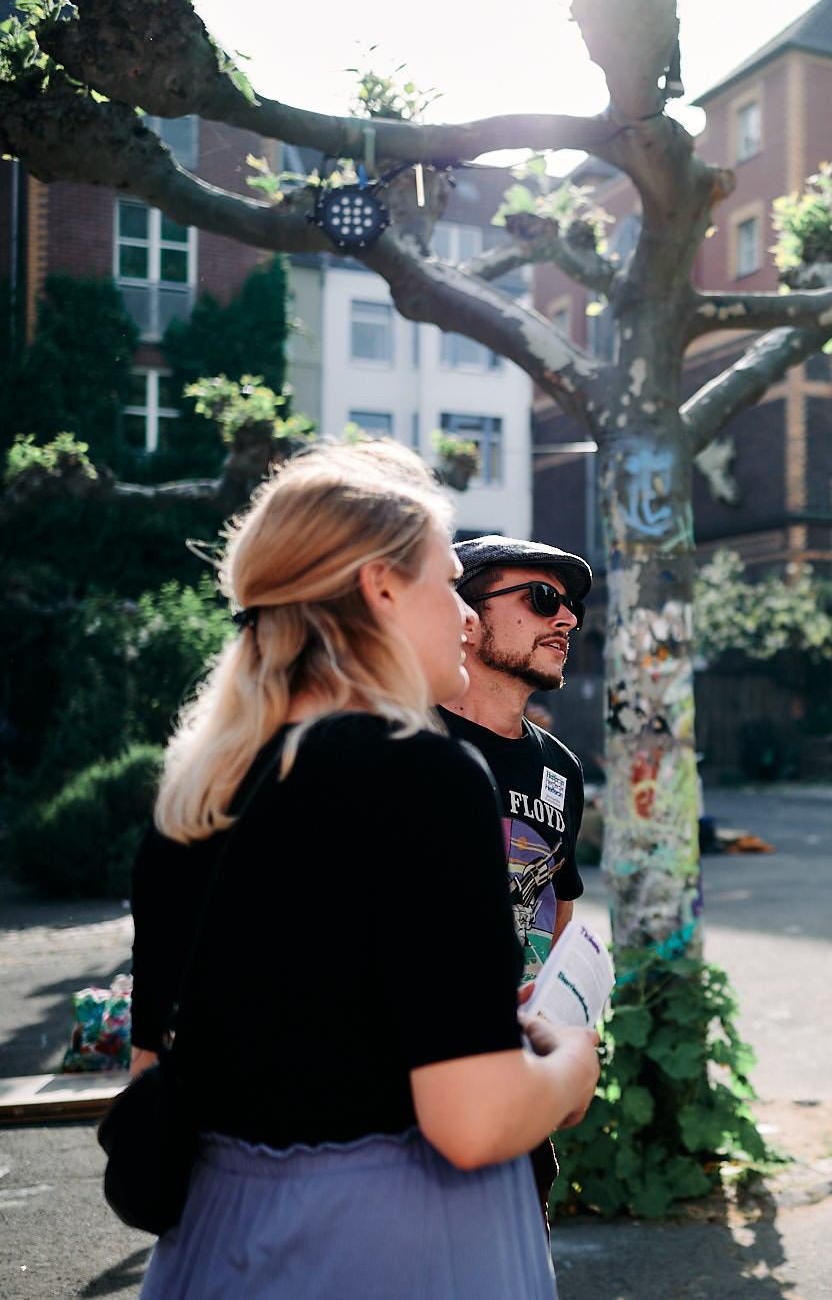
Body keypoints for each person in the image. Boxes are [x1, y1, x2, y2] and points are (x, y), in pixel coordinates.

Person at [128, 442, 600, 1297]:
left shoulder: (194, 793)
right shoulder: (418, 774)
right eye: (447, 582)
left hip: (212, 1239)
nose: (462, 614)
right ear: (382, 587)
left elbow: (153, 1076)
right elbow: (472, 1118)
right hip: (396, 1240)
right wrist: (571, 1063)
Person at [439, 535, 594, 1218]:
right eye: (541, 599)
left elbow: (558, 894)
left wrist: (558, 1014)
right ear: (466, 620)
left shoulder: (561, 770)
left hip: (523, 1071)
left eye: (570, 606)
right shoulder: (407, 744)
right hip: (426, 1076)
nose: (568, 619)